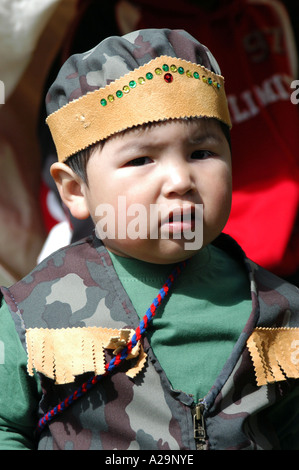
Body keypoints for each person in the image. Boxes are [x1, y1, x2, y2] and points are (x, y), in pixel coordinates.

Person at [0, 28, 298, 451]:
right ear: (74, 191)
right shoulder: (33, 310)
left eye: (202, 153)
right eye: (141, 159)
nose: (180, 180)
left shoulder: (281, 308)